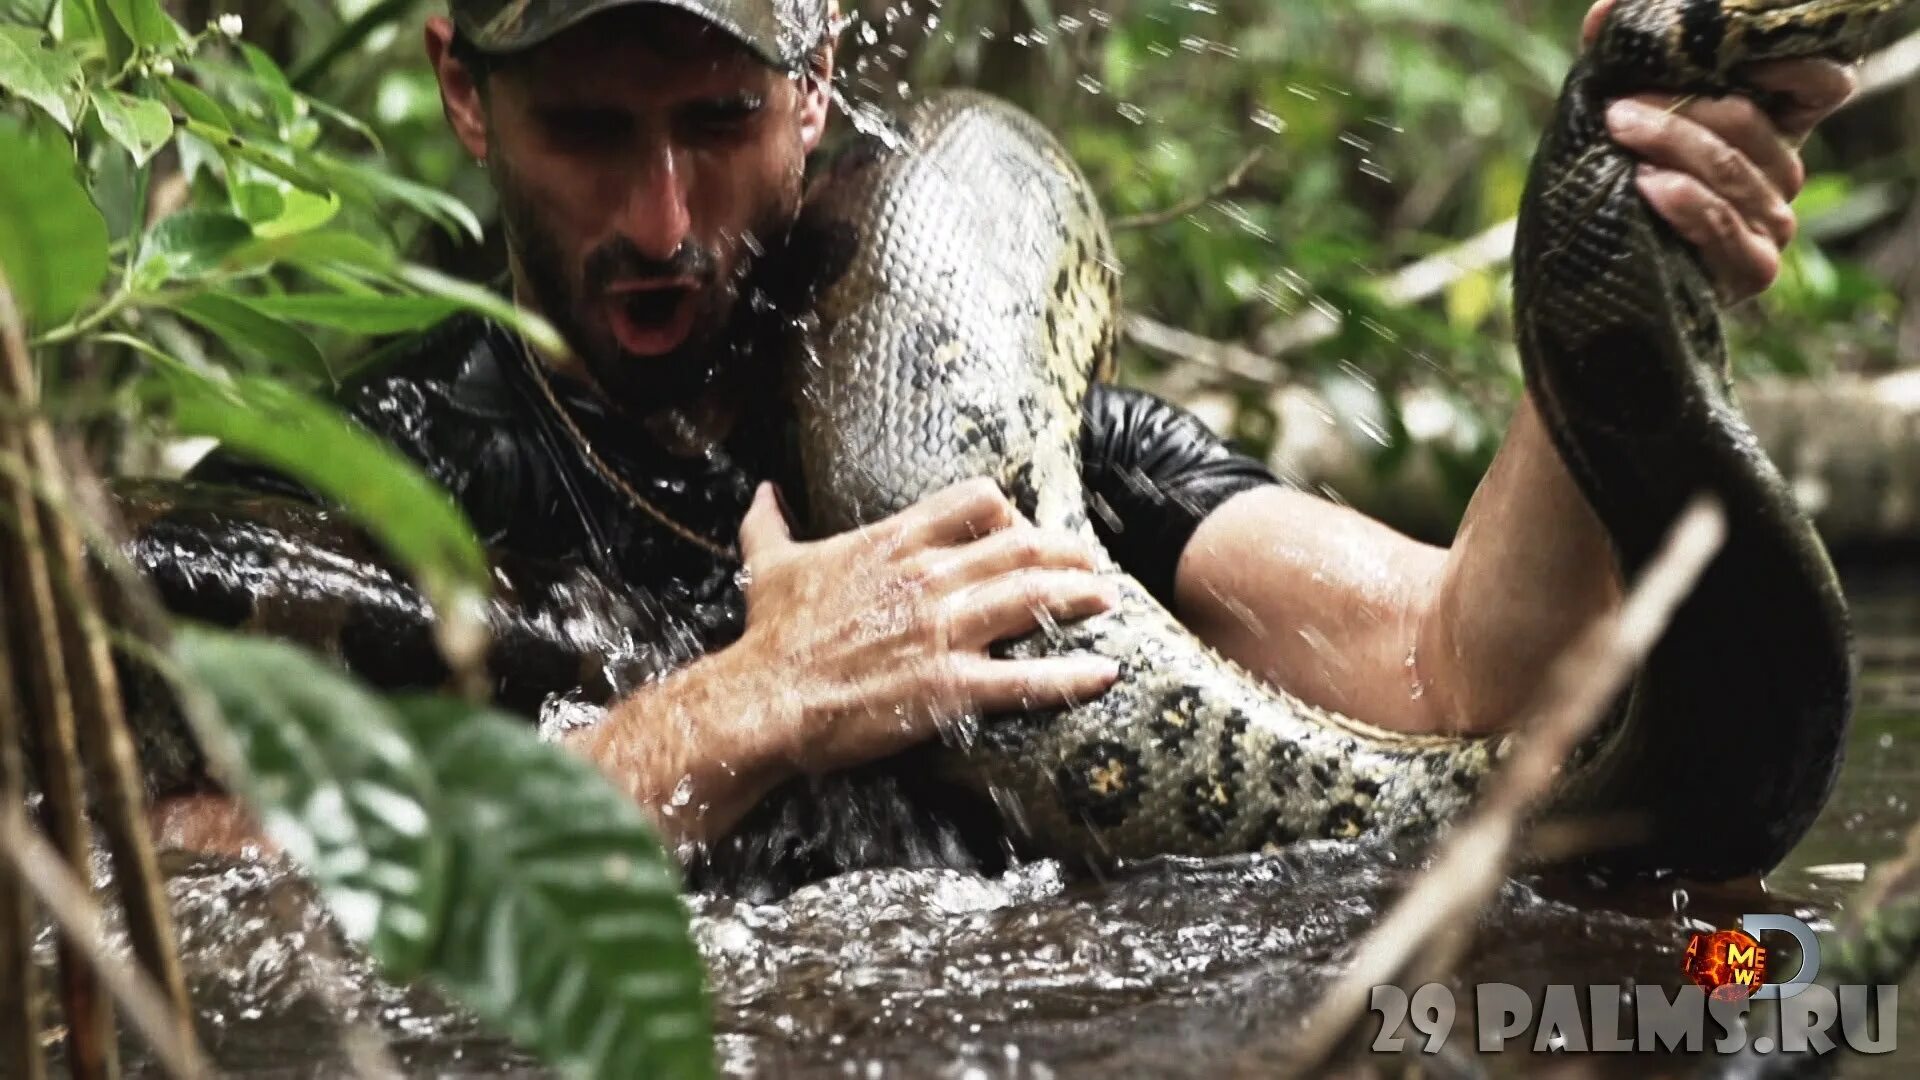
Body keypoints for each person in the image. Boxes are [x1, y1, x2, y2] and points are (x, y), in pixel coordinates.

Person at [155, 0, 1858, 877]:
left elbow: (1470, 679)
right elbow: (172, 889)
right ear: (464, 92)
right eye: (588, 133)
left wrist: (1607, 243)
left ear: (815, 82)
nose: (660, 215)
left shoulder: (1024, 440)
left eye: (717, 122)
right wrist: (745, 709)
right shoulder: (354, 485)